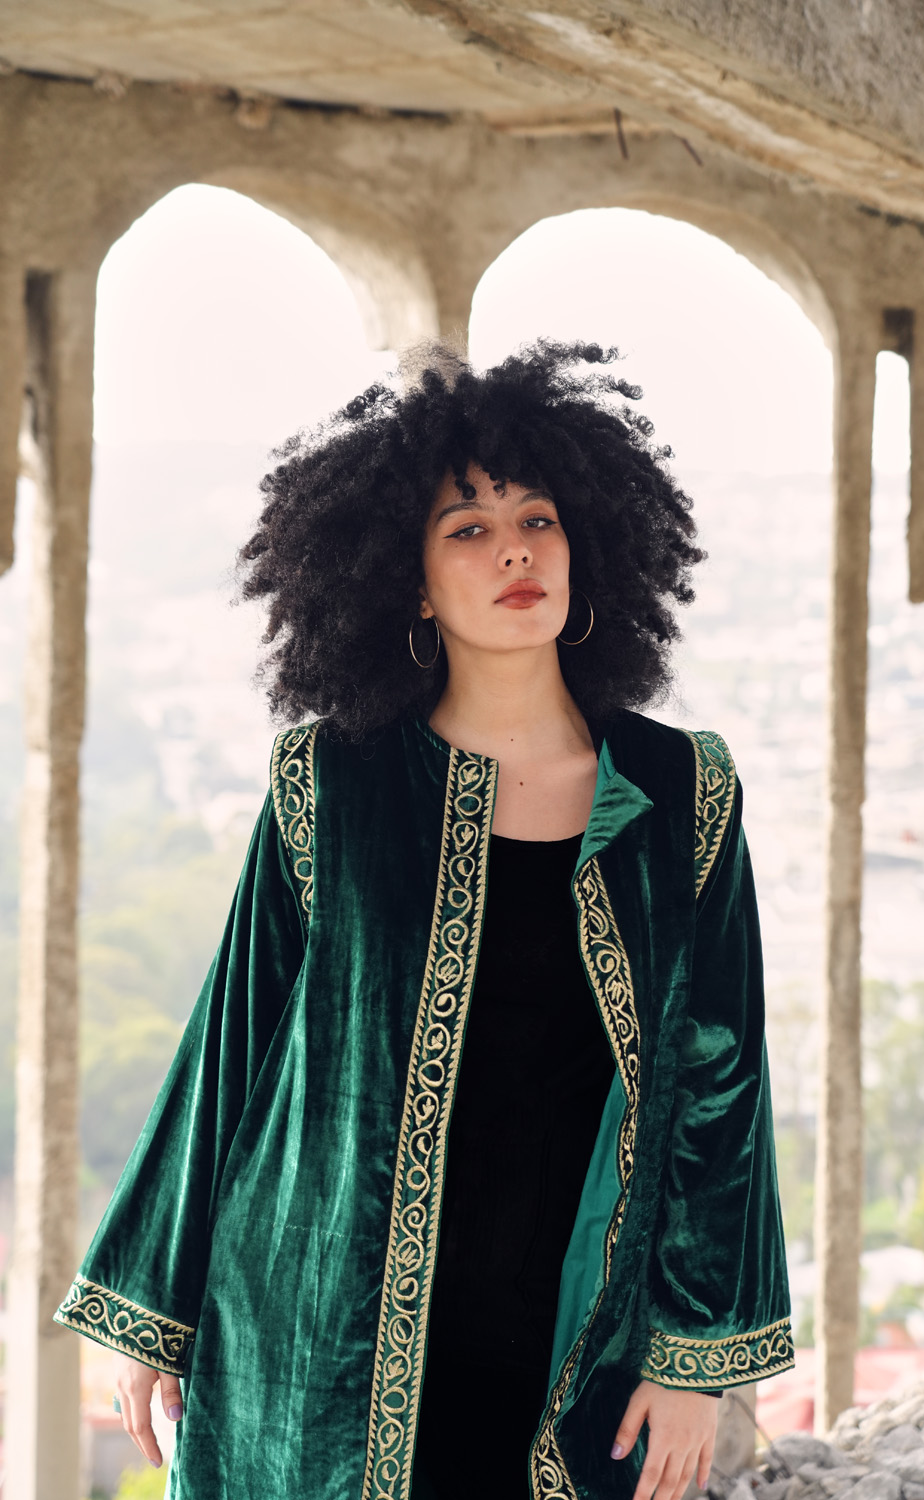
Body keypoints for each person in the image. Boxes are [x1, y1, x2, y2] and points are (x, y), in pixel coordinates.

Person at [56, 340, 793, 1500]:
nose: (515, 549)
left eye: (539, 519)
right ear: (408, 579)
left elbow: (721, 1077)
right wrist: (150, 1307)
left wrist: (692, 1356)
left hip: (575, 1336)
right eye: (468, 528)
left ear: (585, 544)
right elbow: (232, 1042)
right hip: (325, 1333)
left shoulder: (680, 790)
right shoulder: (331, 782)